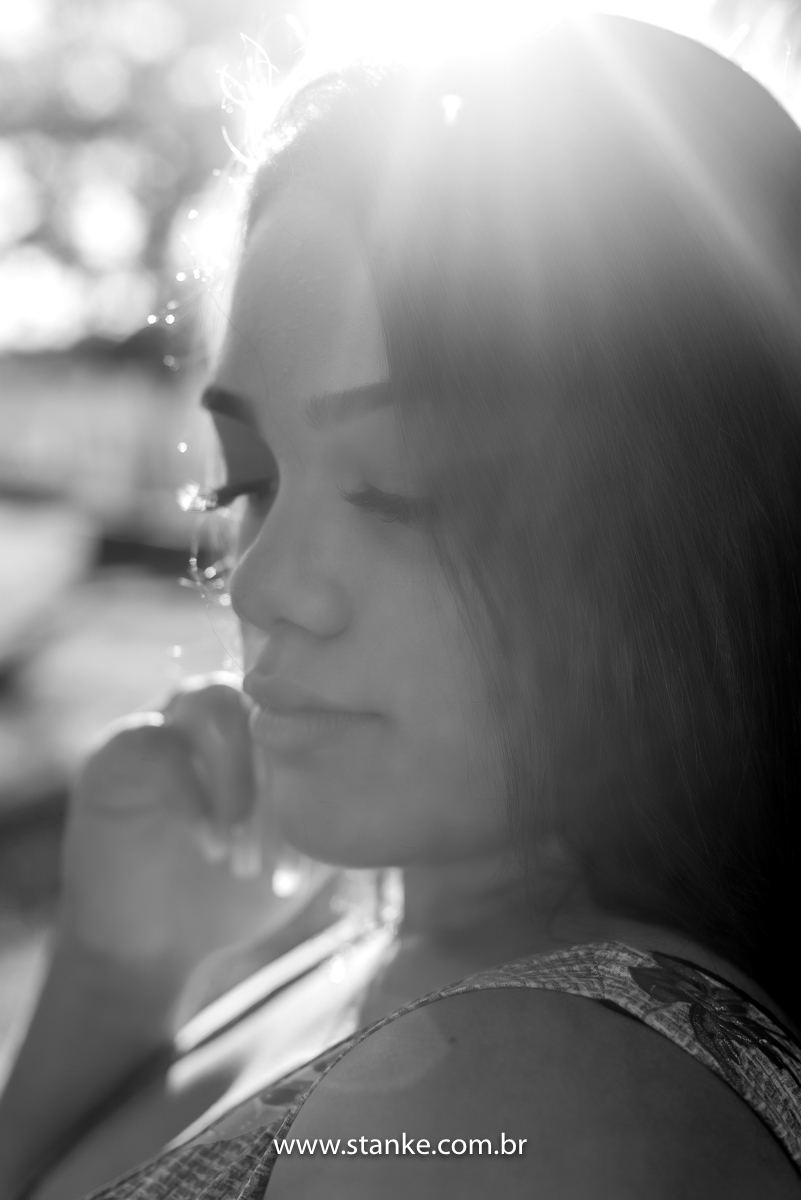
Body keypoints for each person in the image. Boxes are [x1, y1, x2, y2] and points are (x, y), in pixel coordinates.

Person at [2, 12, 801, 1198]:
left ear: (685, 528)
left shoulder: (525, 1097)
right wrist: (117, 973)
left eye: (401, 493)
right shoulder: (389, 965)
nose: (263, 584)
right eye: (248, 480)